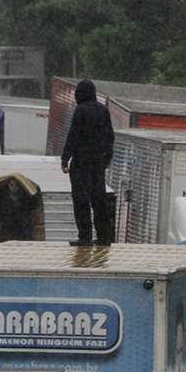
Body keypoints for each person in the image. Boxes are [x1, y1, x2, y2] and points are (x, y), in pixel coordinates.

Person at [60, 79, 115, 246]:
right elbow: (110, 136)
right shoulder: (103, 110)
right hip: (98, 164)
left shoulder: (80, 110)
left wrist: (65, 158)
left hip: (81, 163)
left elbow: (74, 135)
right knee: (99, 201)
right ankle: (104, 237)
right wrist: (106, 159)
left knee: (81, 201)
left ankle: (85, 237)